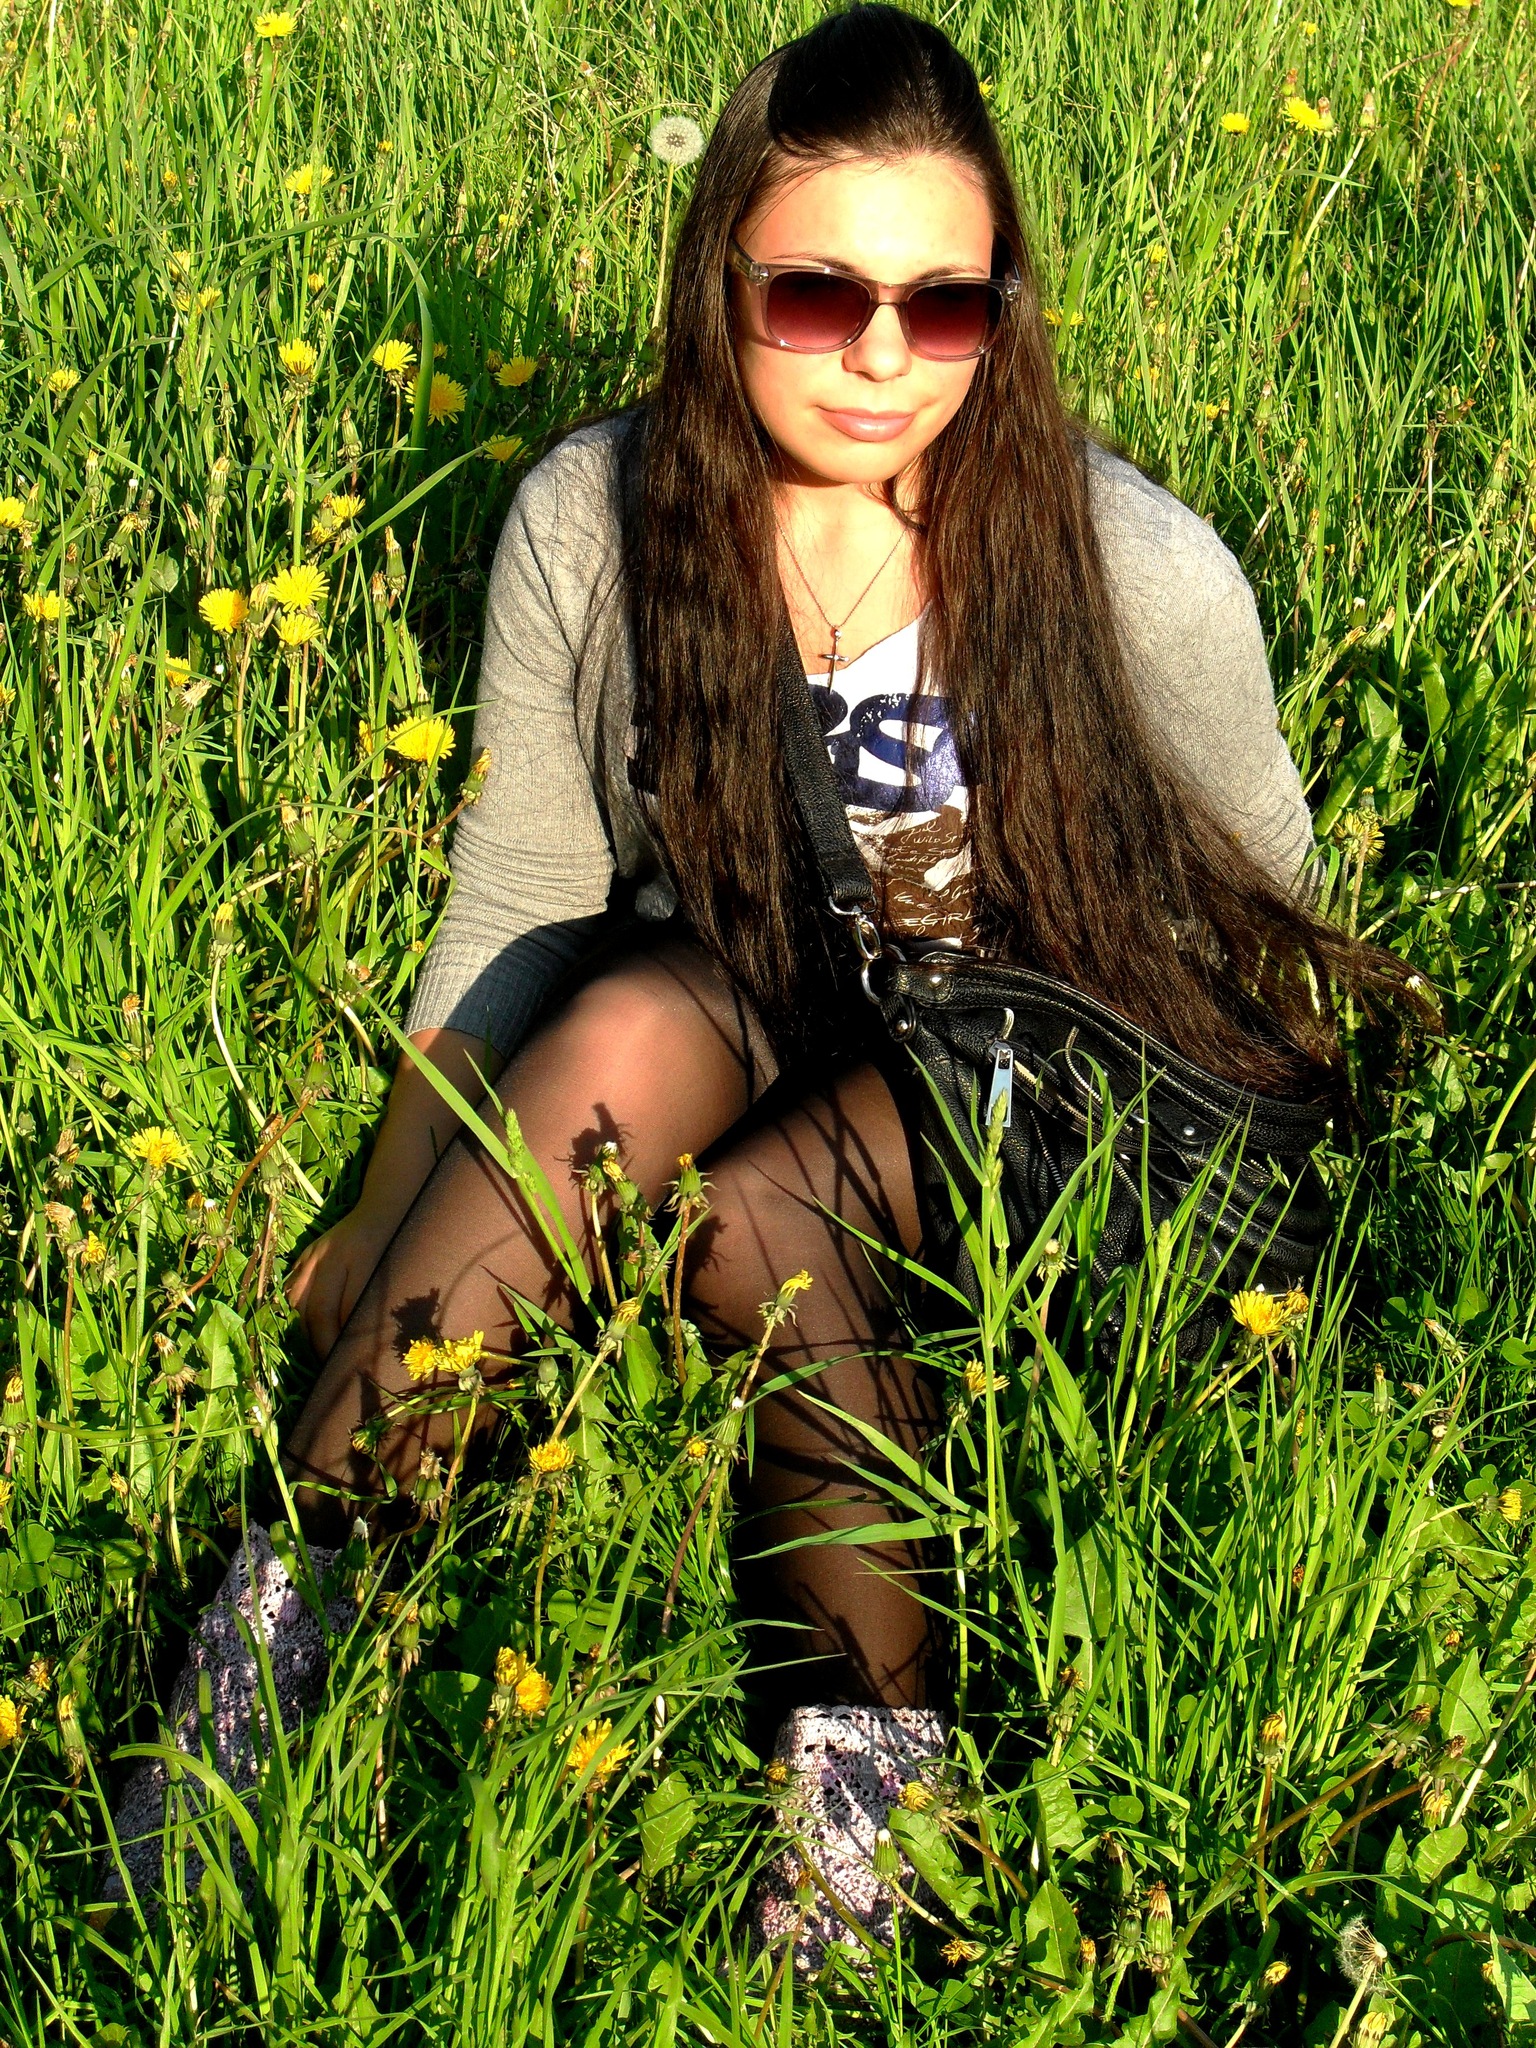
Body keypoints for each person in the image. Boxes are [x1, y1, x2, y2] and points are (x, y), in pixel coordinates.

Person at [109, 4, 1412, 1968]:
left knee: (756, 1218)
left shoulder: (1133, 564)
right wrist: (384, 1207)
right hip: (770, 981)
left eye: (944, 306)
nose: (883, 358)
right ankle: (270, 1653)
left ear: (1002, 310)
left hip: (1035, 1060)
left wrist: (1239, 1272)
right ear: (720, 275)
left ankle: (866, 1816)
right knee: (625, 1017)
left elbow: (1270, 909)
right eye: (819, 297)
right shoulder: (599, 517)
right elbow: (524, 888)